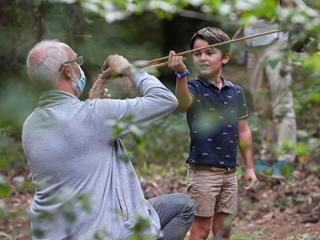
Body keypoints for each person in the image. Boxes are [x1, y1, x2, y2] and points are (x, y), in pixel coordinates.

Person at [22, 39, 195, 240]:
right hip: (106, 233)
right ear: (68, 71)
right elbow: (165, 100)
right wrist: (129, 69)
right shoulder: (94, 115)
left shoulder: (30, 125)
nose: (80, 66)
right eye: (76, 61)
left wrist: (93, 103)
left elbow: (79, 143)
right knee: (184, 206)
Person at [167, 27, 257, 240]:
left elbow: (243, 131)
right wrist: (181, 74)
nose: (203, 58)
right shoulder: (193, 87)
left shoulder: (235, 92)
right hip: (203, 173)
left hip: (229, 171)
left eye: (209, 52)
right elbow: (183, 102)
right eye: (197, 54)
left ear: (225, 57)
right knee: (200, 230)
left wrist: (250, 167)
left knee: (223, 229)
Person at [242, 0, 297, 178]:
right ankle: (268, 157)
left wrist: (270, 14)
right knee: (261, 106)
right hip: (251, 44)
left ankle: (285, 160)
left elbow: (292, 7)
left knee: (281, 104)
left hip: (276, 42)